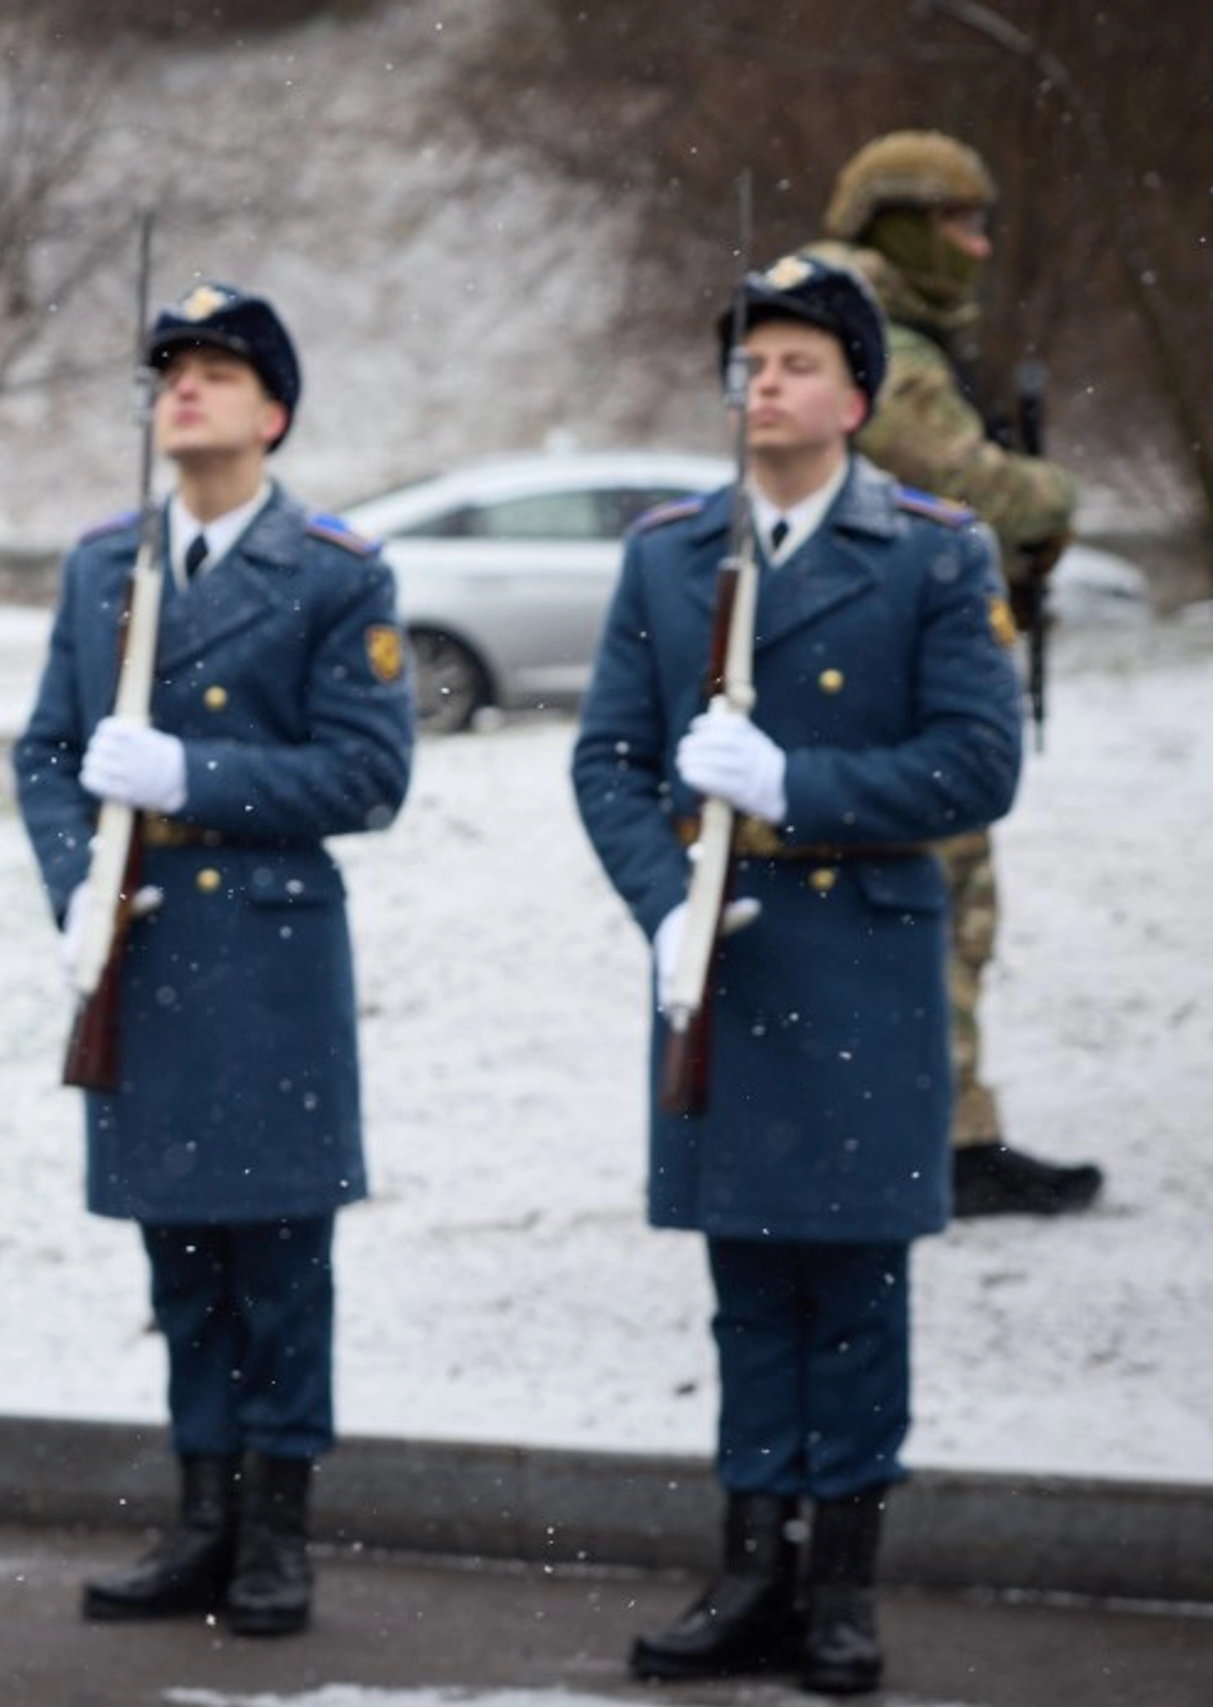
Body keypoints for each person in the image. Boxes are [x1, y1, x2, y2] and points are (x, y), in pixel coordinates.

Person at [570, 253, 1024, 1695]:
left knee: (858, 1289)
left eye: (793, 362)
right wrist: (664, 912)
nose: (761, 384)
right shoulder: (670, 553)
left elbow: (977, 761)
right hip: (728, 969)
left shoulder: (935, 551)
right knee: (749, 1286)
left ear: (859, 396)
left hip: (865, 964)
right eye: (748, 363)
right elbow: (608, 762)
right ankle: (749, 1564)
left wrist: (795, 781)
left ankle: (842, 1583)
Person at [12, 284, 414, 1638]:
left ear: (273, 410)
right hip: (143, 945)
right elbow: (49, 753)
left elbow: (370, 771)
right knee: (181, 1257)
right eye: (171, 370)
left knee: (281, 1260)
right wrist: (81, 884)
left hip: (266, 944)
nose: (185, 388)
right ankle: (200, 1517)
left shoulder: (336, 569)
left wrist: (198, 769)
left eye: (218, 370)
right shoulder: (101, 564)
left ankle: (277, 1530)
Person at [806, 129, 1101, 1219]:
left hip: (898, 667)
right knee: (937, 903)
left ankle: (940, 1124)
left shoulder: (874, 331)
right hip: (887, 682)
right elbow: (976, 484)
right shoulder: (876, 344)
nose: (976, 249)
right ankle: (934, 1136)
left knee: (946, 903)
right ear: (898, 225)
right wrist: (1050, 492)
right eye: (957, 224)